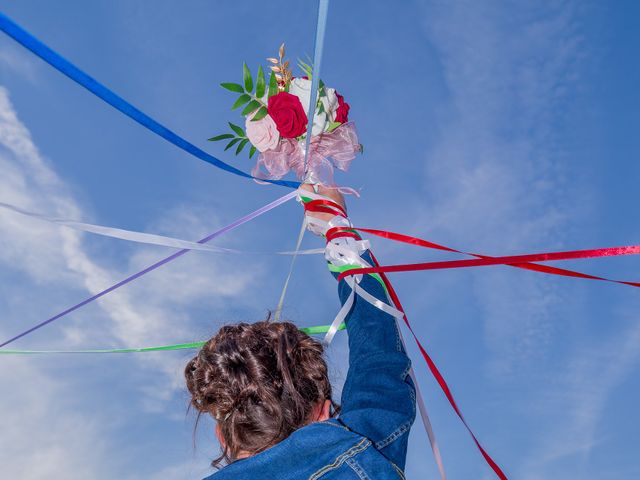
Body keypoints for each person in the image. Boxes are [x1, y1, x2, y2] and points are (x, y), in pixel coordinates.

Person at [185, 184, 416, 479]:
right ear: (323, 414)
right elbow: (379, 362)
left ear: (222, 437)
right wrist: (338, 229)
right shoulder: (363, 450)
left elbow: (379, 367)